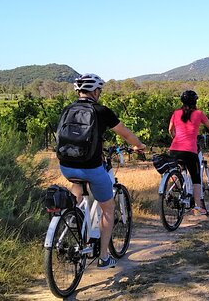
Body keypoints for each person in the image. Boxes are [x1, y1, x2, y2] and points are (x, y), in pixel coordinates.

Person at [58, 73, 146, 269]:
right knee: (107, 209)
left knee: (77, 187)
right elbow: (125, 133)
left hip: (66, 165)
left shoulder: (67, 109)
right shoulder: (101, 111)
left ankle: (73, 217)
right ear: (96, 91)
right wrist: (139, 145)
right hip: (92, 168)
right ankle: (104, 257)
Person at [168, 90, 209, 215]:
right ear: (195, 101)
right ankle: (198, 206)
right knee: (196, 178)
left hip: (174, 149)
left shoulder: (176, 113)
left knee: (176, 172)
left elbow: (170, 129)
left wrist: (175, 139)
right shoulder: (199, 114)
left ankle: (170, 191)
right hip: (190, 150)